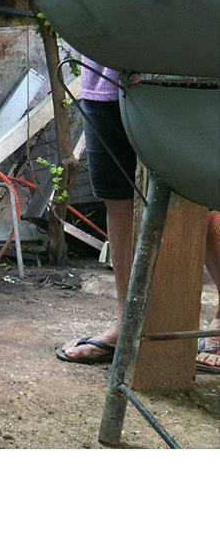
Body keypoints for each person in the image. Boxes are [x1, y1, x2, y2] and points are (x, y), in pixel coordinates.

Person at [56, 57, 220, 373]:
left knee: (205, 196)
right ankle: (127, 322)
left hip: (184, 74)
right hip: (105, 78)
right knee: (118, 199)